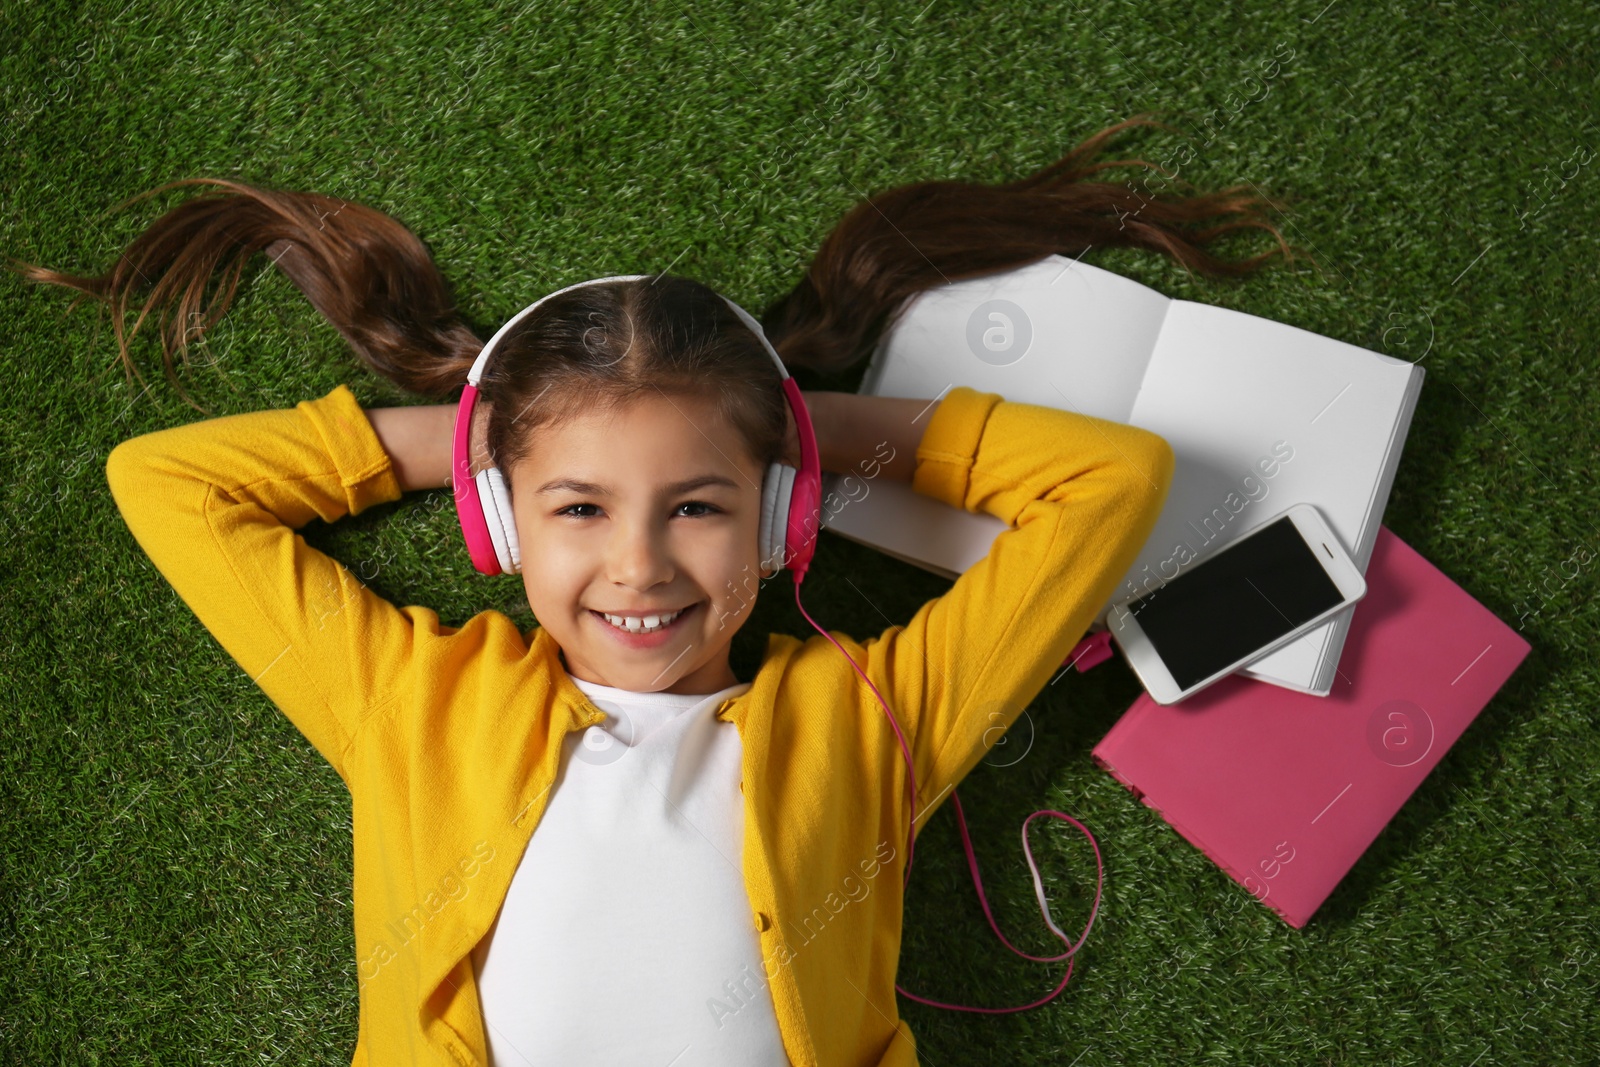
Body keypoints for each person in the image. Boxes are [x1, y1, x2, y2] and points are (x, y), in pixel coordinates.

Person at [18, 114, 1289, 1066]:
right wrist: (467, 445)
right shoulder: (411, 699)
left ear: (785, 520)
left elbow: (1109, 482)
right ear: (503, 523)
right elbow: (171, 484)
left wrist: (805, 428)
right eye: (576, 507)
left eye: (698, 504)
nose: (637, 565)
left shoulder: (876, 716)